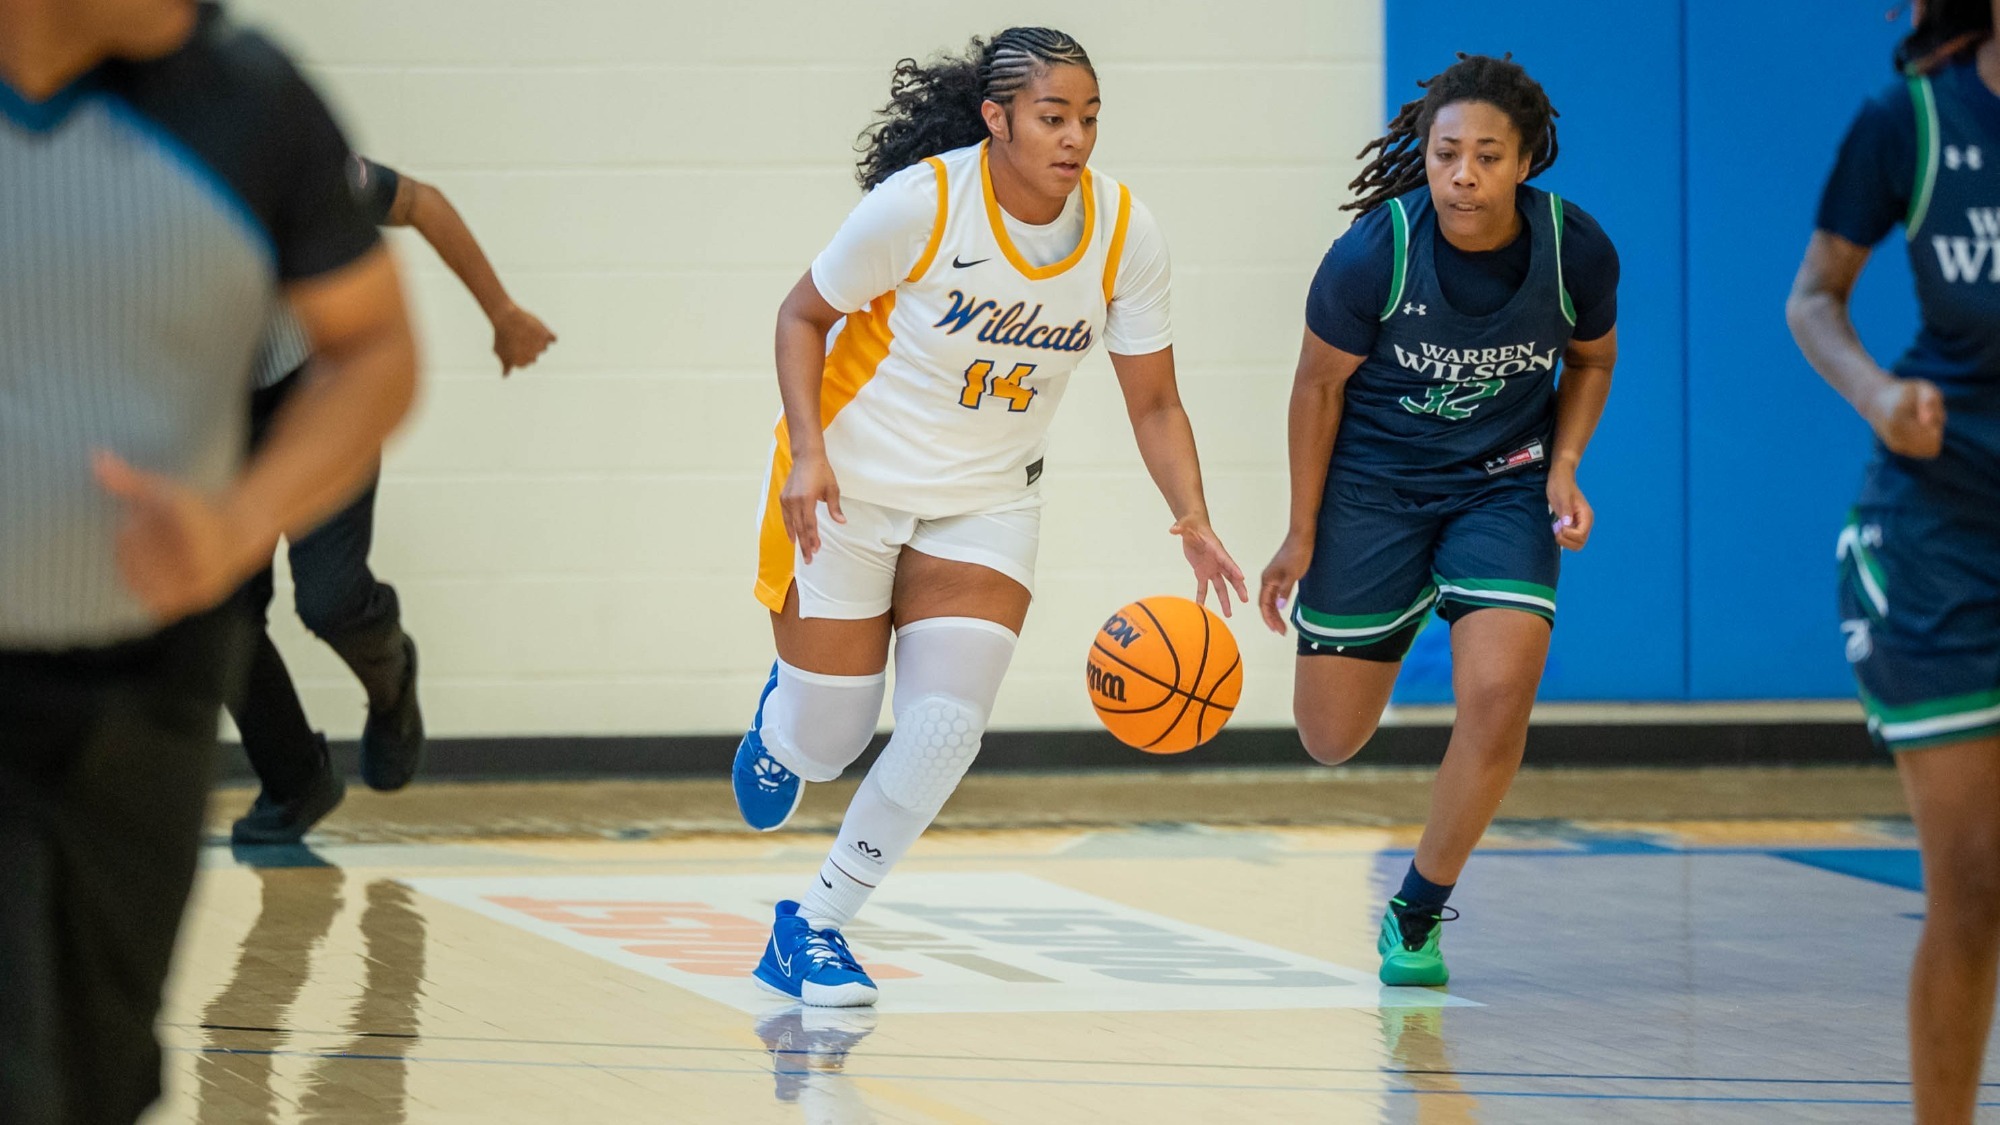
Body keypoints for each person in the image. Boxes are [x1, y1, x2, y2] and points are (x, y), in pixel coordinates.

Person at [730, 26, 1247, 1007]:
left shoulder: (1122, 233)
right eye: (1053, 117)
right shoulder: (921, 205)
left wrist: (1192, 515)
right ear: (995, 117)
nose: (1075, 139)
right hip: (847, 483)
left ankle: (815, 925)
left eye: (1089, 118)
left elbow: (1154, 402)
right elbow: (801, 315)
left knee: (941, 728)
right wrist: (802, 455)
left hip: (986, 501)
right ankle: (781, 729)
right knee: (826, 745)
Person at [0, 0, 417, 1120]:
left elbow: (376, 350)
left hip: (151, 670)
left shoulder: (250, 98)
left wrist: (242, 520)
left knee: (100, 1069)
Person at [1256, 53, 1620, 988]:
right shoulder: (1375, 252)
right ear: (1424, 155)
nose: (1463, 173)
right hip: (1374, 492)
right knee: (1329, 738)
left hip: (1501, 485)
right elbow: (1316, 388)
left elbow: (1590, 361)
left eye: (1487, 156)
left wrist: (1565, 465)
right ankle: (1409, 590)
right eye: (1446, 152)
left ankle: (1417, 910)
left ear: (1526, 160)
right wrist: (1301, 531)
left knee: (1498, 697)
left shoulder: (1575, 248)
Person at [1786, 2, 2000, 1119]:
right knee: (1970, 885)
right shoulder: (1910, 118)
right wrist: (1875, 395)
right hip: (1939, 533)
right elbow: (1812, 298)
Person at [229, 154, 557, 844]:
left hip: (318, 390)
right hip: (214, 417)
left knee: (328, 597)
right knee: (217, 619)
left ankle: (393, 681)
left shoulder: (272, 144)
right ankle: (296, 778)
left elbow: (422, 203)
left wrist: (501, 311)